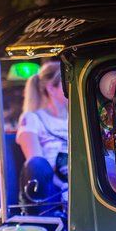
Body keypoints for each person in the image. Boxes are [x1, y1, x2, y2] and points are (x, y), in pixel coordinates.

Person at [16, 61, 68, 203]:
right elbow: (37, 165)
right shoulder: (32, 118)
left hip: (78, 182)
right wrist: (65, 187)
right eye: (68, 82)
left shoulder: (78, 118)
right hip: (50, 190)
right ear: (51, 88)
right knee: (37, 164)